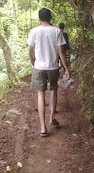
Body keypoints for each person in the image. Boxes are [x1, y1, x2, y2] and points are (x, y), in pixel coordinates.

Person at [28, 8, 70, 137]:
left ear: (39, 18)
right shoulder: (57, 31)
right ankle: (52, 118)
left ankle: (43, 127)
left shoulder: (34, 31)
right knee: (54, 90)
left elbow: (30, 49)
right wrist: (66, 68)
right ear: (50, 18)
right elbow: (61, 52)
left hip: (39, 67)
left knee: (40, 95)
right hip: (53, 67)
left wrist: (33, 61)